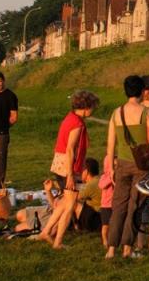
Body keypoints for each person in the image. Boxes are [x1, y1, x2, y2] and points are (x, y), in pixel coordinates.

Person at [105, 75, 149, 260]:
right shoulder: (145, 112)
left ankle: (110, 249)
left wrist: (111, 168)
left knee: (118, 206)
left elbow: (110, 144)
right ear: (141, 91)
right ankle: (127, 248)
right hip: (142, 166)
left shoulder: (116, 113)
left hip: (122, 164)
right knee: (135, 206)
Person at [37, 90, 99, 248]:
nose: (94, 110)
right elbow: (70, 149)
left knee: (65, 202)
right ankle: (58, 242)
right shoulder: (77, 123)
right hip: (68, 166)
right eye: (93, 107)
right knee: (70, 205)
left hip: (60, 164)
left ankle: (45, 232)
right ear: (86, 106)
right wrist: (71, 175)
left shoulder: (70, 117)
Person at [75, 158, 103, 232]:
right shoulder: (99, 179)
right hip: (102, 214)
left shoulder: (91, 185)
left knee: (73, 203)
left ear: (86, 171)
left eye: (81, 171)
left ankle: (77, 225)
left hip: (95, 217)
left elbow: (76, 198)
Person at [99, 155, 114, 247]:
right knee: (105, 225)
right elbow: (101, 186)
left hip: (115, 204)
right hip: (105, 206)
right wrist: (110, 177)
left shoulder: (117, 175)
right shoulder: (104, 177)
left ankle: (113, 239)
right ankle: (105, 240)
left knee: (114, 224)